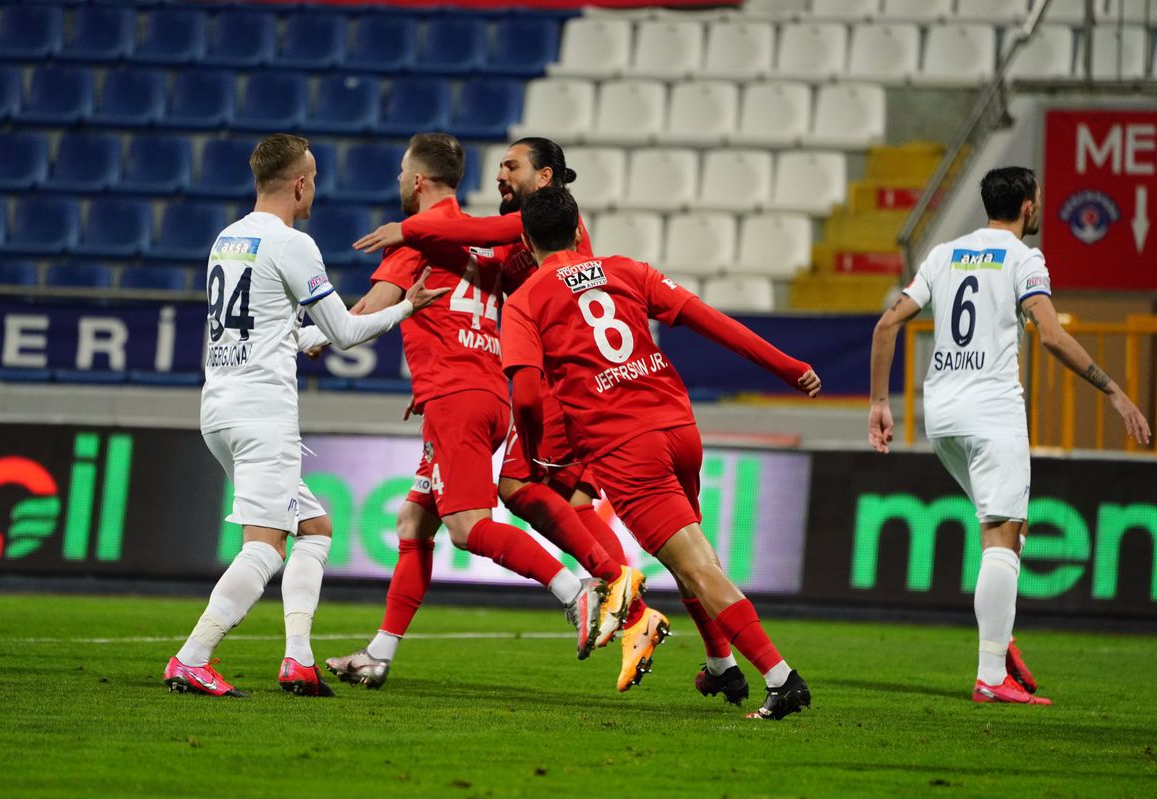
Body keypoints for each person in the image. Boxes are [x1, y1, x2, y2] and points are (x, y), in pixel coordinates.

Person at [354, 138, 675, 694]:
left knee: (510, 497)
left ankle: (602, 589)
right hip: (519, 385)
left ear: (545, 178)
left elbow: (474, 238)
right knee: (423, 521)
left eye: (512, 166)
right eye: (499, 166)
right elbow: (481, 244)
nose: (501, 174)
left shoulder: (539, 228)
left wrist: (411, 231)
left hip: (552, 385)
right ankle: (379, 655)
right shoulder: (514, 237)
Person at [500, 185, 822, 720]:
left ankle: (780, 677)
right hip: (679, 427)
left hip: (627, 447)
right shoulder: (627, 269)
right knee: (694, 555)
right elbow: (713, 322)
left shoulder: (526, 300)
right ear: (580, 227)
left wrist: (534, 454)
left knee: (695, 567)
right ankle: (721, 663)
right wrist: (788, 367)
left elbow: (528, 395)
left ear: (527, 239)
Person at [164, 134, 449, 698]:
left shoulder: (228, 238)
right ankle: (191, 657)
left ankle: (297, 659)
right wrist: (406, 308)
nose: (314, 189)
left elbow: (272, 328)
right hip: (262, 414)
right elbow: (346, 332)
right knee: (265, 547)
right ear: (300, 183)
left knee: (314, 530)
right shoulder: (294, 243)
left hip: (219, 406)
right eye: (313, 178)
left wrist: (309, 335)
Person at [868, 166, 1150, 705]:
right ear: (1027, 206)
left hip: (941, 415)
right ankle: (990, 676)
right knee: (1002, 538)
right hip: (992, 410)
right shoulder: (1024, 259)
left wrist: (881, 402)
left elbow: (885, 325)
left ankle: (1001, 638)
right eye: (1038, 201)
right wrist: (1113, 390)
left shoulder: (944, 253)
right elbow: (1050, 335)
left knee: (1009, 530)